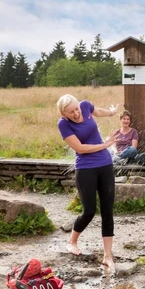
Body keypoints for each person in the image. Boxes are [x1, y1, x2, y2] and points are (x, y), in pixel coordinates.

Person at [56, 94, 119, 270]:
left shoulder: (84, 106)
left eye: (76, 109)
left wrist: (112, 112)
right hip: (86, 169)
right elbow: (80, 148)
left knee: (108, 211)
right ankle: (72, 241)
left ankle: (108, 256)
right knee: (89, 211)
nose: (76, 113)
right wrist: (105, 145)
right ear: (64, 114)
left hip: (105, 165)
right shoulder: (64, 124)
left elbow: (97, 111)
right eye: (71, 112)